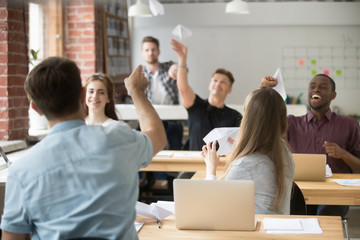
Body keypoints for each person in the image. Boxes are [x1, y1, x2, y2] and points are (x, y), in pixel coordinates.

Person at [0, 57, 167, 240]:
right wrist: (137, 92)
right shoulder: (119, 138)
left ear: (35, 108)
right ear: (82, 95)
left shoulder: (21, 171)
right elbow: (157, 137)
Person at [261, 73, 360, 217]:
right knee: (294, 214)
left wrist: (343, 154)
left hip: (334, 194)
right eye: (312, 86)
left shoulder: (349, 124)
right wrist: (264, 90)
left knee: (326, 215)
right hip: (299, 190)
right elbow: (262, 122)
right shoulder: (291, 123)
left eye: (323, 87)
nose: (316, 90)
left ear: (333, 95)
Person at [202, 87, 295, 214]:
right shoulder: (283, 149)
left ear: (248, 119)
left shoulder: (246, 165)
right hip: (278, 228)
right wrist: (244, 146)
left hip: (257, 231)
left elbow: (212, 205)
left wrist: (211, 168)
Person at [171, 38, 242, 151]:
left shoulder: (235, 116)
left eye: (223, 82)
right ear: (210, 84)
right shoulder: (196, 106)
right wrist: (182, 59)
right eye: (215, 81)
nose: (218, 84)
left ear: (230, 89)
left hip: (220, 166)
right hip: (194, 165)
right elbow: (183, 88)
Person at [141, 36, 183, 150]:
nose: (150, 53)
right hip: (150, 120)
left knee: (175, 142)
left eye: (153, 49)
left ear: (158, 51)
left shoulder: (168, 67)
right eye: (147, 50)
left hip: (171, 120)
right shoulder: (139, 74)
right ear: (142, 53)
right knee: (144, 148)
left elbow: (182, 70)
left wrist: (176, 68)